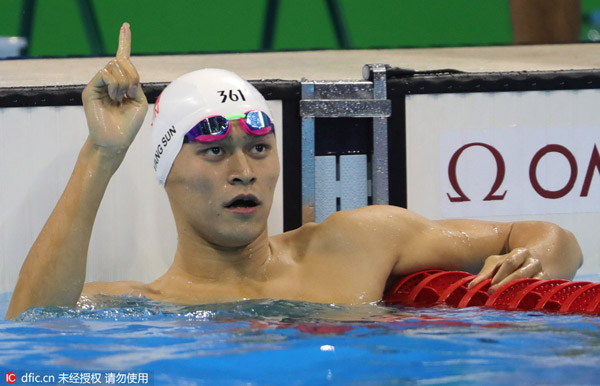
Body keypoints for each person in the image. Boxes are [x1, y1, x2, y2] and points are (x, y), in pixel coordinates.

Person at [5, 23, 583, 320]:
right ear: (167, 172)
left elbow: (539, 237)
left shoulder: (356, 243)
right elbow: (30, 332)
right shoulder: (135, 304)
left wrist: (544, 258)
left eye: (258, 148)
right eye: (214, 151)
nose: (242, 170)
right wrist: (101, 154)